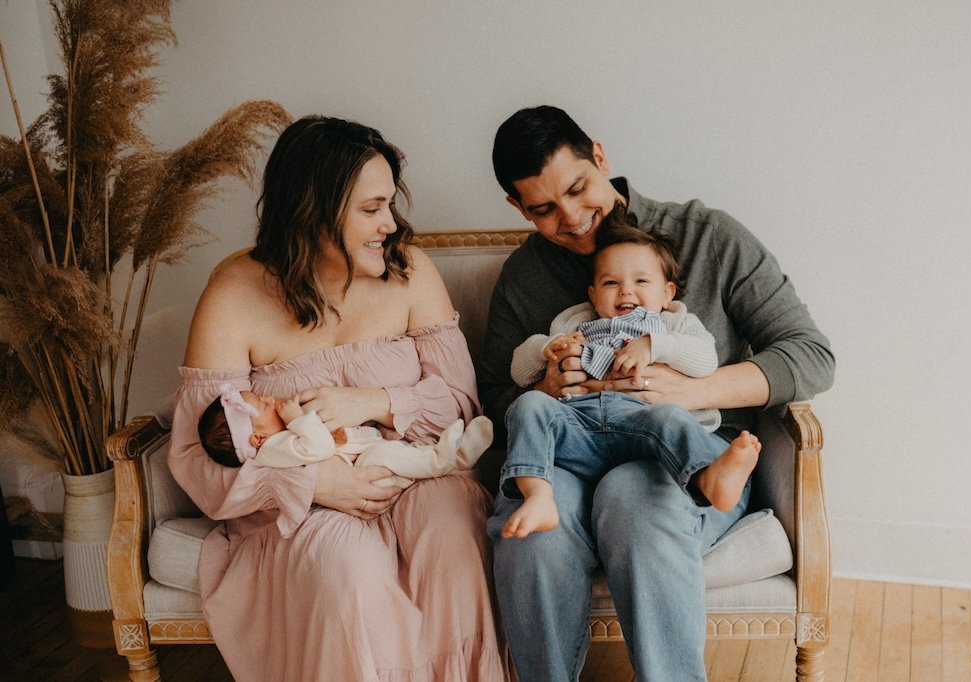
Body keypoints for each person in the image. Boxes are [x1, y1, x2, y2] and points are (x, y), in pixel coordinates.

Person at [480, 105, 835, 681]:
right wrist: (543, 382)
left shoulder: (707, 236)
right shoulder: (526, 276)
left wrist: (693, 389)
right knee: (531, 532)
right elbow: (494, 391)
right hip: (568, 456)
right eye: (543, 209)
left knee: (633, 501)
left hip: (675, 456)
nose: (571, 219)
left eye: (577, 188)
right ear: (517, 208)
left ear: (600, 157)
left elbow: (810, 354)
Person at [169, 115, 512, 681]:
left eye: (390, 206)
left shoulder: (410, 271)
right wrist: (316, 483)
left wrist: (372, 400)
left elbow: (461, 404)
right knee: (347, 568)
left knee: (452, 529)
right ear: (314, 212)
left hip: (417, 476)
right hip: (298, 507)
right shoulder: (234, 291)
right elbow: (201, 455)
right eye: (372, 209)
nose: (391, 226)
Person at [500, 207, 761, 539]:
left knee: (672, 417)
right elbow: (518, 373)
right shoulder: (572, 324)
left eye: (640, 281)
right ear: (593, 294)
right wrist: (546, 349)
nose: (625, 291)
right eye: (611, 282)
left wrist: (655, 345)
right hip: (581, 432)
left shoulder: (674, 323)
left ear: (667, 294)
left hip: (644, 431)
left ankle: (706, 477)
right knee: (527, 406)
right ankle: (538, 495)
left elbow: (705, 360)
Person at [198, 383, 493, 489]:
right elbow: (321, 446)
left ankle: (451, 453)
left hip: (363, 452)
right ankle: (445, 460)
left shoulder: (282, 437)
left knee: (396, 451)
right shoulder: (275, 449)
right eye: (263, 404)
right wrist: (298, 419)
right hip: (365, 472)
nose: (270, 397)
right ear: (258, 439)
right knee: (387, 455)